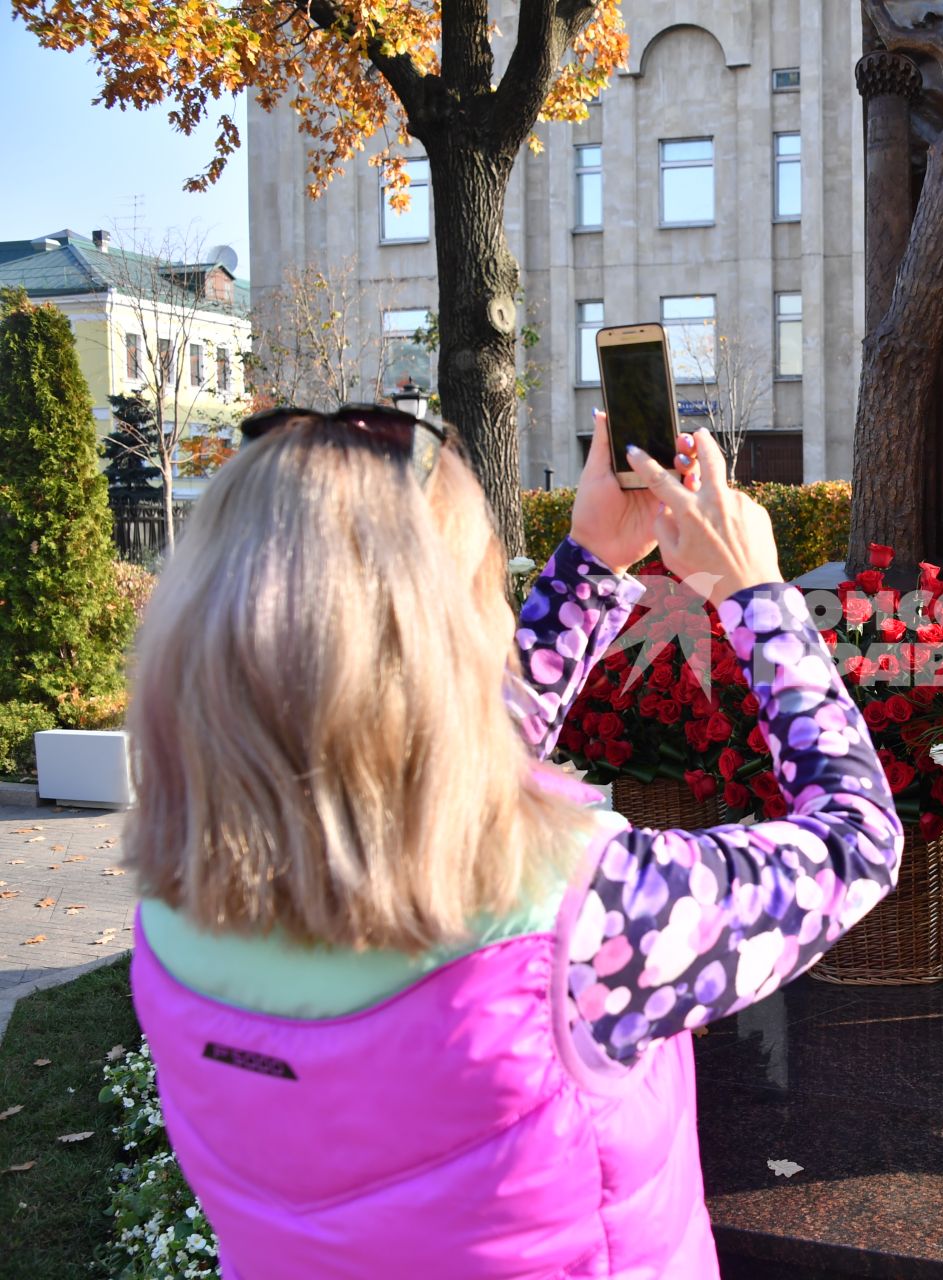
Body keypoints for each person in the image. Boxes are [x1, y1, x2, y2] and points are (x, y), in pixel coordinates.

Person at [124, 405, 903, 1277]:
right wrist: (757, 596)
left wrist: (593, 565)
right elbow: (855, 843)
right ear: (445, 640)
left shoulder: (177, 904)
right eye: (486, 584)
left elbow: (439, 753)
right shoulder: (577, 917)